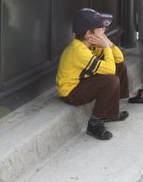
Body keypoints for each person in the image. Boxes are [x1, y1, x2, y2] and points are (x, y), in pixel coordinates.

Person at [56, 8, 130, 140]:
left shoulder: (93, 44)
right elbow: (110, 71)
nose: (104, 31)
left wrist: (109, 44)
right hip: (71, 93)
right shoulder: (78, 50)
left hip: (83, 82)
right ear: (89, 33)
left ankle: (109, 111)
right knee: (111, 79)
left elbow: (119, 60)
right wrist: (106, 47)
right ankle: (95, 123)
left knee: (120, 67)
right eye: (101, 29)